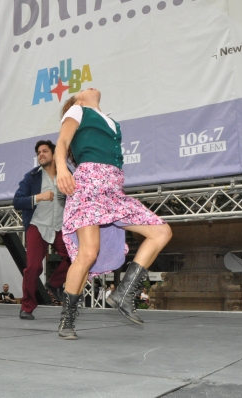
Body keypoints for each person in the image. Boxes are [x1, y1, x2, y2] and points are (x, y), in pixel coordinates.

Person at [55, 88, 172, 339]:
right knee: (88, 253)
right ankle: (67, 320)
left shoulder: (111, 122)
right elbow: (63, 142)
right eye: (81, 90)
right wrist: (62, 170)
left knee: (161, 232)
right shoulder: (78, 110)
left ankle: (124, 293)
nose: (88, 87)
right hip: (89, 184)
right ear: (77, 100)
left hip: (113, 189)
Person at [13, 140, 72, 320]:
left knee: (75, 257)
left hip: (60, 226)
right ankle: (27, 307)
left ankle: (54, 284)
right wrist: (39, 197)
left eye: (45, 151)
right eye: (38, 152)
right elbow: (17, 202)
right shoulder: (31, 177)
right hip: (38, 225)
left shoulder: (67, 174)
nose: (41, 155)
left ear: (54, 155)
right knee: (33, 267)